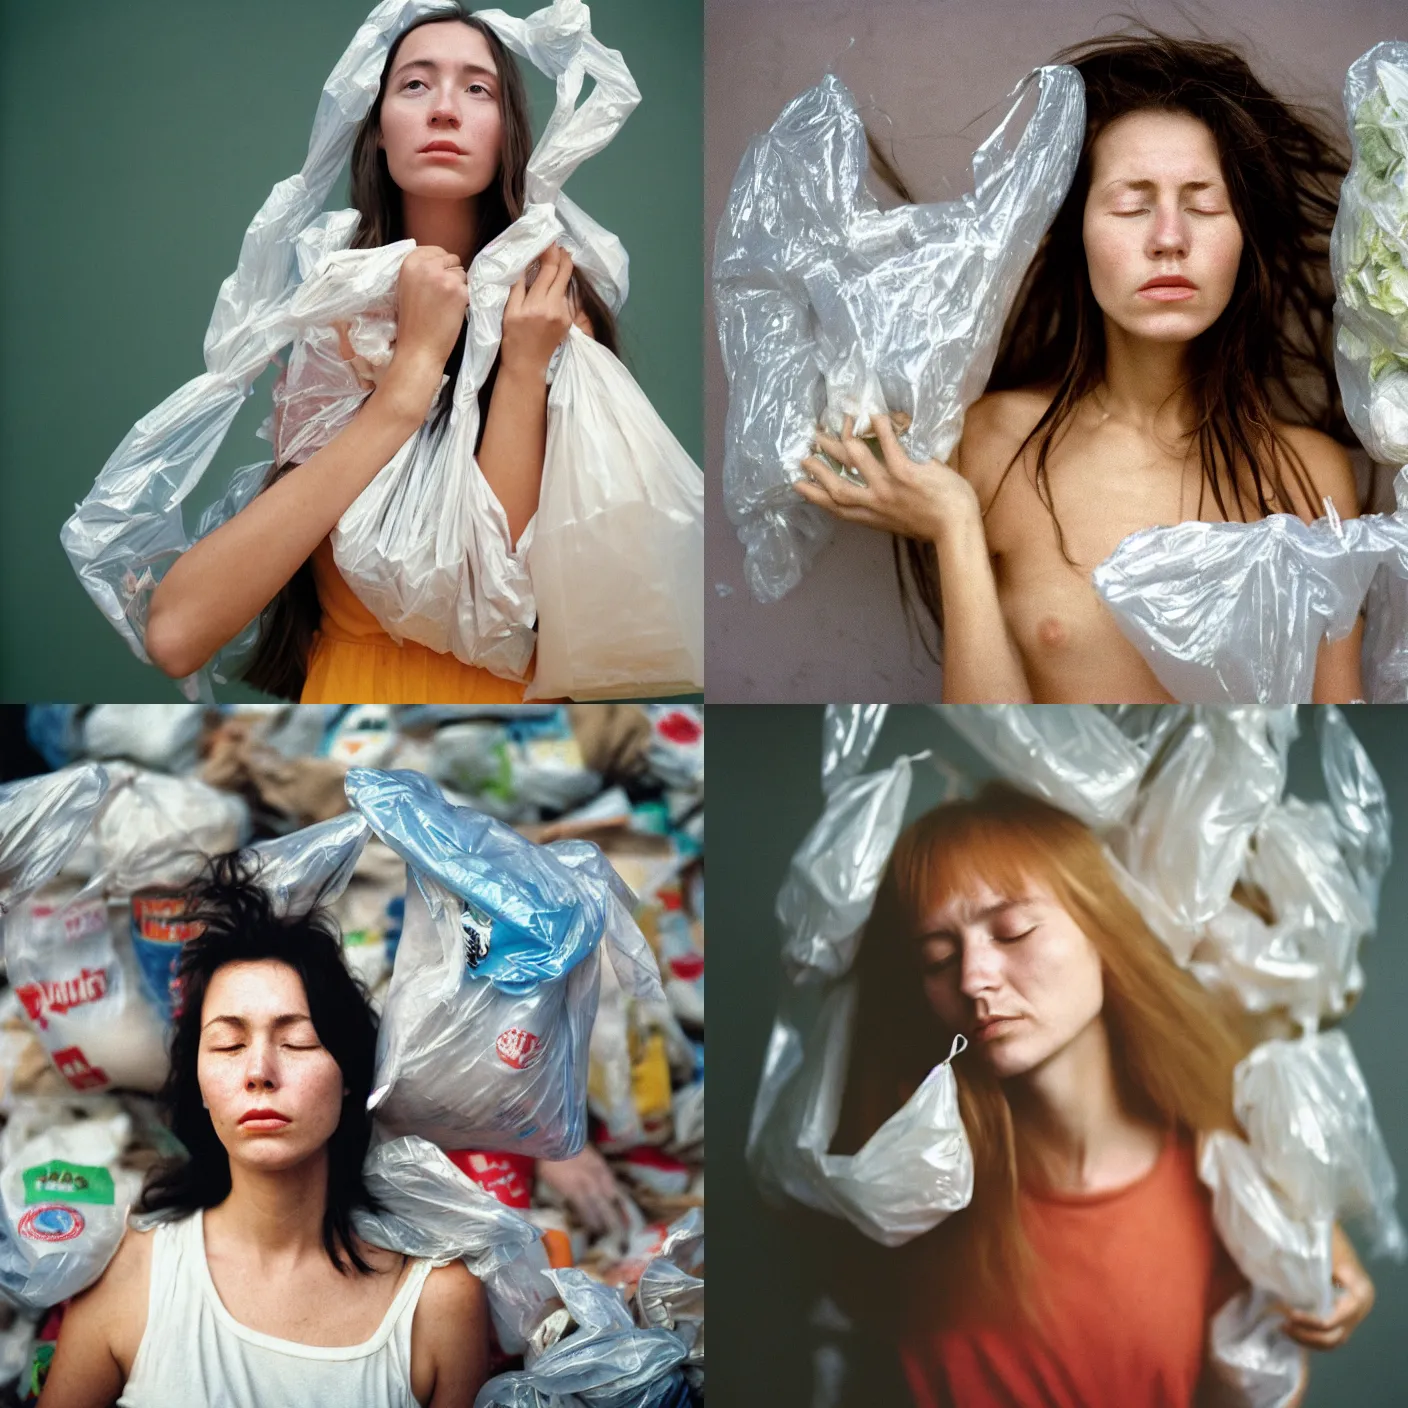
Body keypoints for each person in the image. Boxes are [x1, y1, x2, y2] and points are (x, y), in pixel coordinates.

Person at [795, 34, 1363, 705]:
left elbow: (1339, 736)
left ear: (1244, 236)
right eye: (1132, 204)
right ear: (1076, 234)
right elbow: (993, 741)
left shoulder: (1309, 478)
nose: (1169, 238)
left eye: (1204, 205)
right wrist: (954, 522)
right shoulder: (985, 443)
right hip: (1044, 811)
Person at [830, 784, 1374, 1407]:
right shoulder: (903, 1187)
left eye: (1013, 931)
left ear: (1102, 931)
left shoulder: (1227, 1186)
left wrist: (1302, 1248)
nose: (974, 978)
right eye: (936, 959)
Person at [142, 5, 616, 702]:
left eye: (477, 89)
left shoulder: (549, 314)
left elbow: (485, 602)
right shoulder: (332, 321)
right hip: (349, 703)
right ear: (377, 131)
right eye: (416, 85)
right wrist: (408, 384)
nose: (446, 109)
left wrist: (518, 365)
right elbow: (177, 634)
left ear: (509, 132)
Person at [37, 853, 488, 1408]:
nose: (258, 1072)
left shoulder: (437, 1302)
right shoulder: (130, 1273)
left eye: (296, 1042)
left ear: (348, 1074)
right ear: (199, 1084)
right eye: (228, 1045)